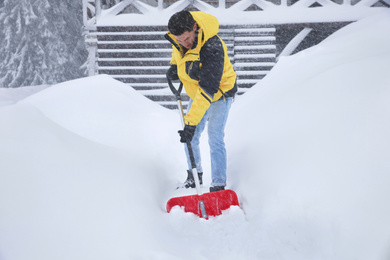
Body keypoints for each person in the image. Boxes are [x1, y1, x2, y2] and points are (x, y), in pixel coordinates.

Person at [165, 11, 237, 192]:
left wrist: (191, 122)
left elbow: (208, 89)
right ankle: (194, 176)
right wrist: (175, 66)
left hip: (219, 92)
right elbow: (178, 51)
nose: (185, 44)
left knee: (215, 137)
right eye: (179, 40)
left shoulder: (212, 46)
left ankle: (218, 184)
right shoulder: (180, 39)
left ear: (194, 27)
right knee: (192, 137)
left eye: (187, 39)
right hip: (198, 93)